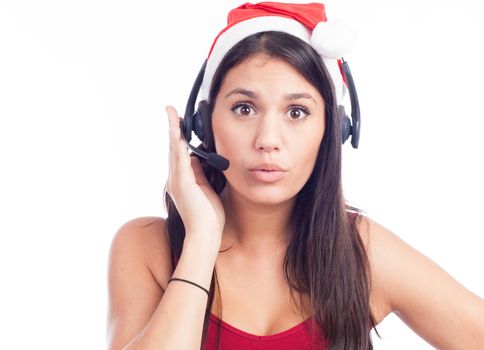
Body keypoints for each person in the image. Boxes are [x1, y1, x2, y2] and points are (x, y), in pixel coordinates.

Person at [106, 2, 484, 349]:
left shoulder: (363, 253)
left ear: (333, 130)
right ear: (203, 122)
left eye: (297, 112)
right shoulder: (146, 247)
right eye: (243, 108)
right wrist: (202, 239)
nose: (268, 140)